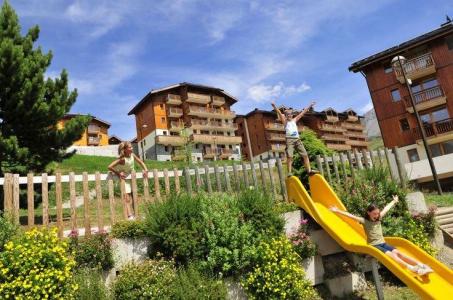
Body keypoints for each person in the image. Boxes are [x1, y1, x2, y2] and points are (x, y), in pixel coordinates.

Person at [330, 196, 433, 276]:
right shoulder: (364, 221)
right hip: (374, 246)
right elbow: (351, 216)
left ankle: (421, 265)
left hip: (383, 243)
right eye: (374, 214)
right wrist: (337, 211)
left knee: (399, 253)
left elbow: (386, 209)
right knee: (393, 256)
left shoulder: (379, 218)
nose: (377, 216)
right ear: (368, 213)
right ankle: (412, 268)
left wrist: (394, 201)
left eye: (378, 214)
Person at [271, 101, 317, 176]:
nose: (289, 115)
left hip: (297, 139)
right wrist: (274, 106)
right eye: (288, 115)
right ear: (286, 116)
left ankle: (309, 170)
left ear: (292, 115)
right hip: (289, 140)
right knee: (290, 156)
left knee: (305, 155)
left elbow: (302, 113)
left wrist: (310, 105)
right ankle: (289, 172)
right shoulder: (285, 122)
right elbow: (279, 112)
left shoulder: (294, 120)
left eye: (290, 114)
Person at [108, 141, 148, 220]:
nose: (132, 148)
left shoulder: (132, 155)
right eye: (130, 147)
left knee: (134, 196)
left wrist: (145, 169)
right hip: (124, 180)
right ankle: (130, 216)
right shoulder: (122, 159)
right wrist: (118, 173)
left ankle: (136, 214)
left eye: (131, 147)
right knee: (127, 198)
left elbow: (140, 162)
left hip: (132, 178)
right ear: (125, 149)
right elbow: (109, 166)